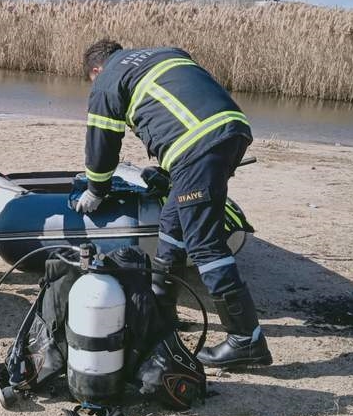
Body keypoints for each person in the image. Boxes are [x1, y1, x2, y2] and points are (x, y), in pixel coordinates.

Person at [74, 39, 272, 369]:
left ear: (96, 70)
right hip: (231, 129)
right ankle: (163, 315)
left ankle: (246, 339)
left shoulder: (108, 79)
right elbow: (180, 105)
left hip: (197, 145)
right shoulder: (161, 54)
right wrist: (169, 172)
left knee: (204, 243)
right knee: (171, 224)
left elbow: (102, 144)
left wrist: (96, 189)